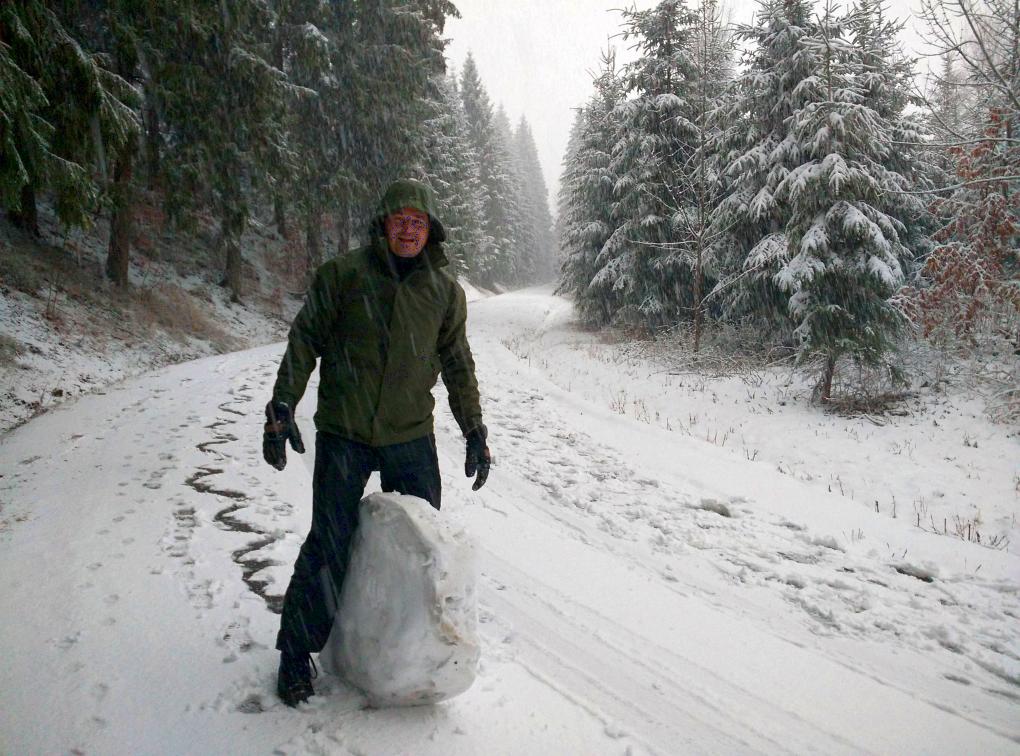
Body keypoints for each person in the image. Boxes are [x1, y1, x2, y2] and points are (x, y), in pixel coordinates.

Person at [262, 178, 491, 707]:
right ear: (383, 225)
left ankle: (415, 659)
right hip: (344, 431)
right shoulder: (343, 275)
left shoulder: (444, 292)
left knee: (425, 550)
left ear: (430, 231)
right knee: (329, 543)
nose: (408, 230)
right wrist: (282, 404)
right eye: (400, 220)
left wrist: (474, 429)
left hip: (409, 434)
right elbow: (305, 339)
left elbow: (457, 363)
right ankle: (296, 652)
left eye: (418, 222)